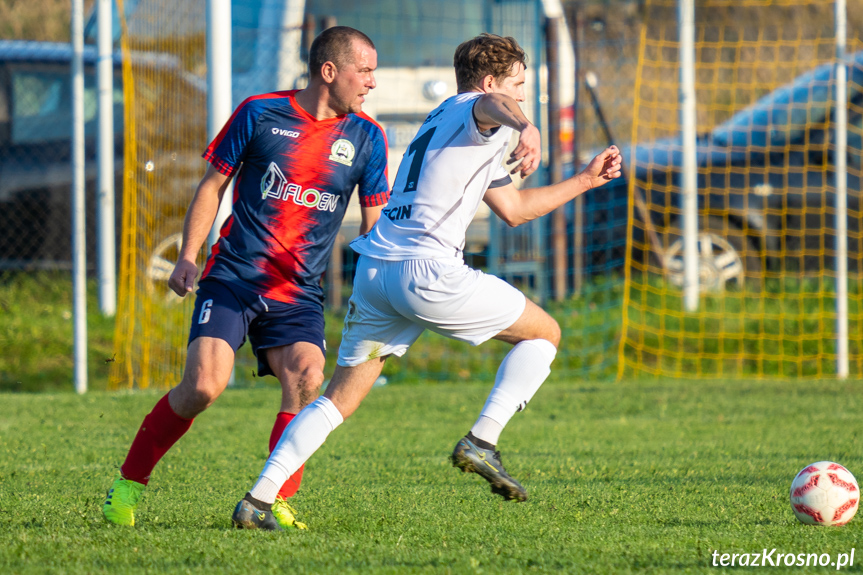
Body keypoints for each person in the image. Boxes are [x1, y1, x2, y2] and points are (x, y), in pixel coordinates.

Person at [230, 33, 622, 530]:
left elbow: (516, 211)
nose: (522, 94)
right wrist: (529, 127)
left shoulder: (446, 121)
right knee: (546, 334)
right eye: (520, 84)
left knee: (337, 400)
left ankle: (257, 501)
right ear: (488, 83)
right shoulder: (481, 112)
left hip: (377, 273)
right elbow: (495, 104)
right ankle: (481, 441)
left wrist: (586, 180)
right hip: (426, 271)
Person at [102, 26, 390, 531]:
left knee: (306, 380)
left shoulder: (368, 137)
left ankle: (270, 498)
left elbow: (374, 226)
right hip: (235, 276)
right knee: (203, 387)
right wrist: (189, 255)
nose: (371, 83)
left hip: (299, 291)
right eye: (363, 71)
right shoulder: (260, 112)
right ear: (329, 72)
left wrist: (379, 292)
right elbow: (213, 184)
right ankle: (126, 486)